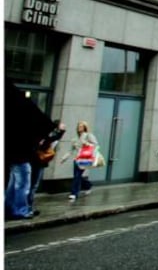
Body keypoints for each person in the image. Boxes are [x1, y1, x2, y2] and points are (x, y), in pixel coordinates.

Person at [6, 79, 60, 220]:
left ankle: (9, 208)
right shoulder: (22, 121)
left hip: (17, 157)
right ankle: (21, 210)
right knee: (23, 184)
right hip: (21, 157)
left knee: (15, 184)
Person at [60, 121, 99, 201]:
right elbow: (70, 151)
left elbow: (95, 144)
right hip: (76, 159)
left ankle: (74, 193)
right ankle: (88, 185)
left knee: (77, 176)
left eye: (81, 126)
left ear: (85, 127)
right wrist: (64, 158)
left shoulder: (88, 136)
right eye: (78, 126)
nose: (79, 128)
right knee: (77, 176)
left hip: (85, 159)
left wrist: (87, 143)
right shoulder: (74, 139)